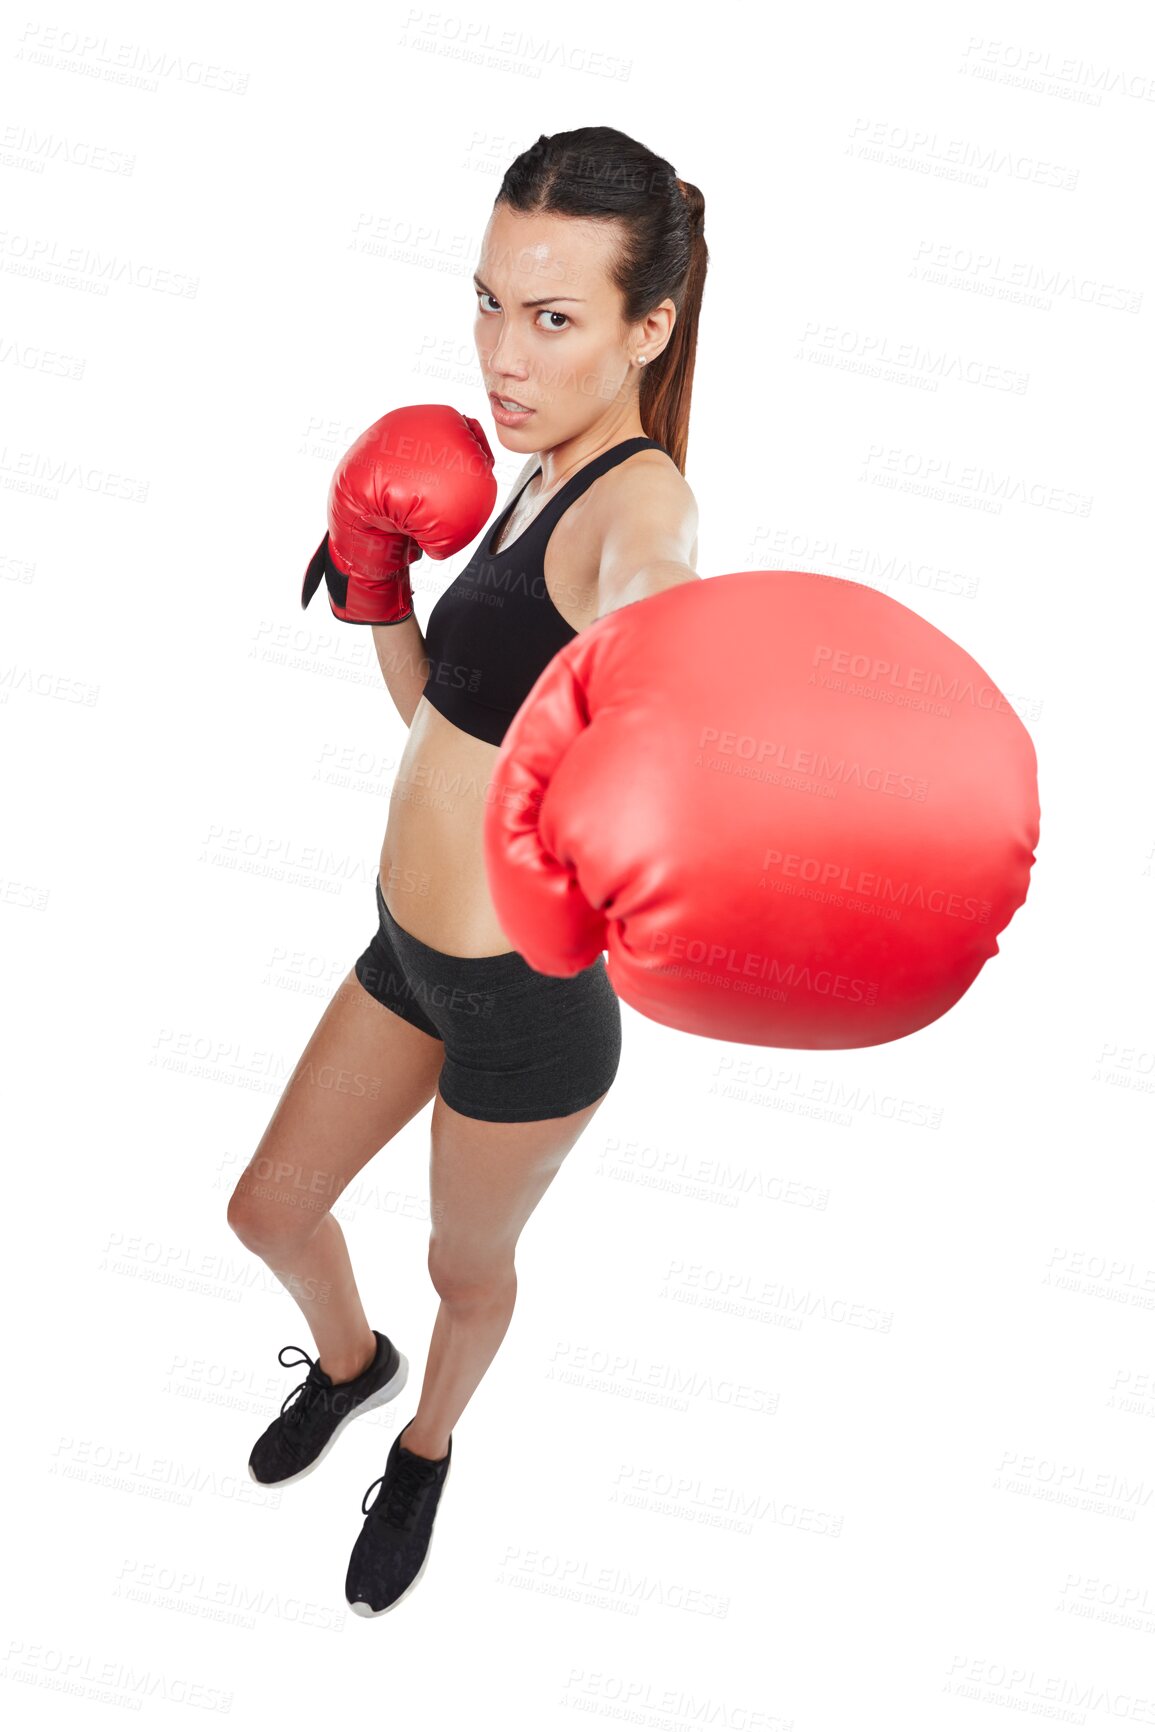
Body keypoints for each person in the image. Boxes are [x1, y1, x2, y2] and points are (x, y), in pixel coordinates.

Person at [226, 125, 708, 1616]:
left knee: (463, 1268)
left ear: (648, 327)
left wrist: (669, 677)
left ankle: (427, 1444)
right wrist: (378, 585)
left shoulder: (637, 509)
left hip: (524, 1007)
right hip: (408, 956)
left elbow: (657, 605)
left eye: (554, 318)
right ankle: (356, 1371)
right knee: (270, 1212)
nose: (505, 351)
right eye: (491, 301)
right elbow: (456, 728)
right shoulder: (526, 467)